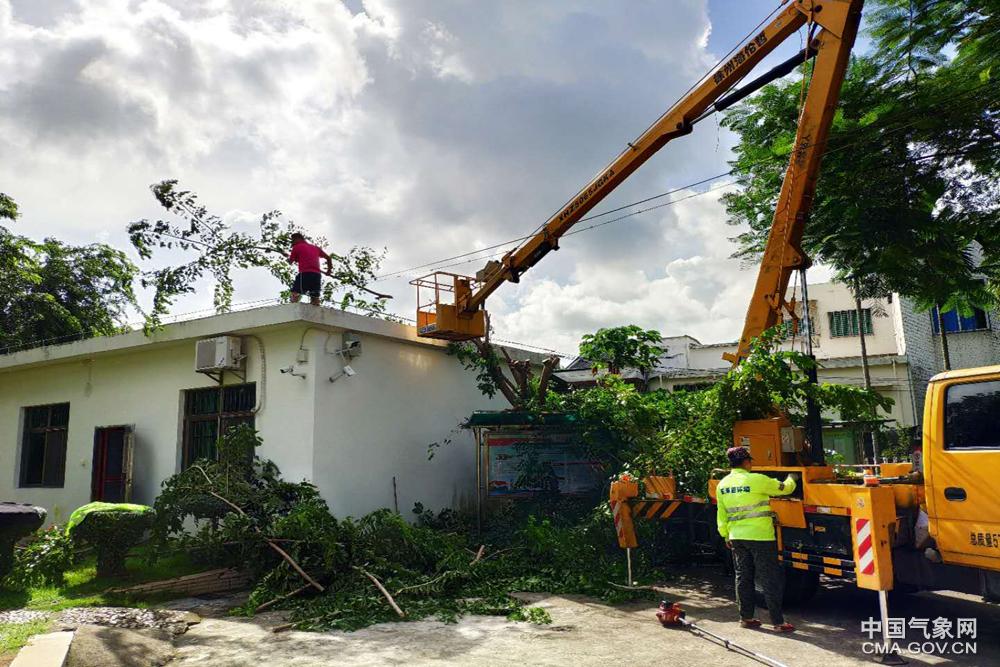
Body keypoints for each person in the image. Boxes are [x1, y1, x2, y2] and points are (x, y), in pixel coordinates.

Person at [716, 445, 798, 633]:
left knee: (743, 577)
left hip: (737, 537)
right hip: (760, 537)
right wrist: (793, 477)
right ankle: (778, 622)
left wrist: (726, 535)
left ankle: (746, 618)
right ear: (746, 462)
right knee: (769, 578)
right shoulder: (756, 480)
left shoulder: (723, 485)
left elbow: (721, 514)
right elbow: (784, 489)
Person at [288, 233, 333, 306]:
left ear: (297, 238)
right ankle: (315, 311)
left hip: (305, 273)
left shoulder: (296, 247)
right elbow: (328, 258)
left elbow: (290, 262)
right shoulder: (315, 248)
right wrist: (329, 270)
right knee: (315, 296)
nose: (292, 242)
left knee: (295, 293)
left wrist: (287, 257)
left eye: (293, 240)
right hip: (316, 275)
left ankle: (292, 308)